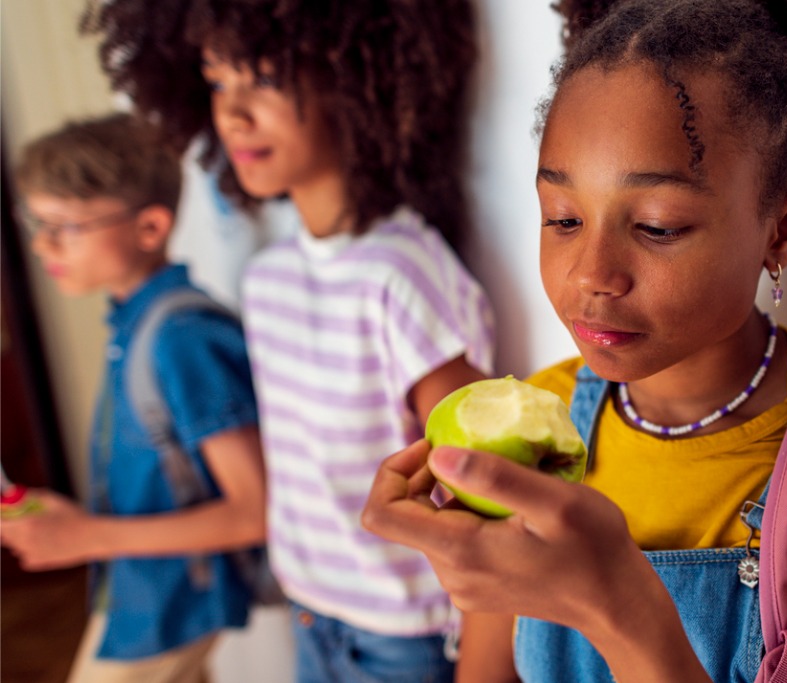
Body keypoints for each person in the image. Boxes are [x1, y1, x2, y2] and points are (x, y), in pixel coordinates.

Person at [361, 0, 787, 681]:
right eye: (563, 218)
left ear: (781, 231)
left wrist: (619, 610)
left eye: (657, 226)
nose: (592, 275)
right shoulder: (542, 422)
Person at [82, 2, 495, 681]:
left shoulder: (399, 275)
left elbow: (481, 486)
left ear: (357, 81)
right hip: (309, 617)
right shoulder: (268, 280)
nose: (233, 115)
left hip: (398, 642)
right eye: (218, 83)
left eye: (265, 81)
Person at [3, 112, 266, 683]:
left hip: (170, 606)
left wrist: (84, 536)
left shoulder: (181, 338)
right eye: (37, 221)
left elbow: (255, 511)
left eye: (66, 226)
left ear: (149, 228)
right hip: (140, 595)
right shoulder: (134, 322)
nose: (43, 244)